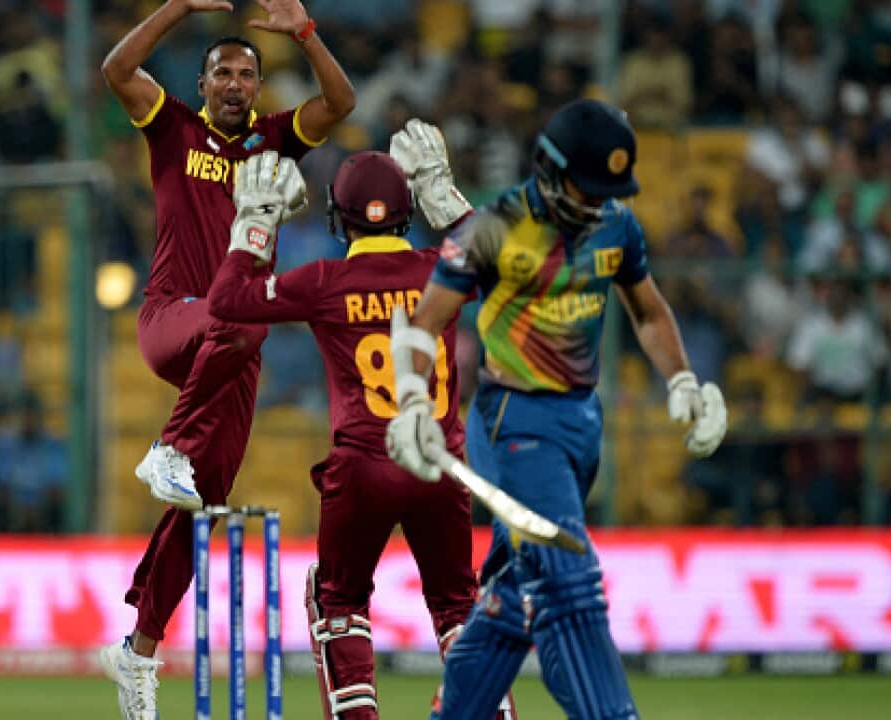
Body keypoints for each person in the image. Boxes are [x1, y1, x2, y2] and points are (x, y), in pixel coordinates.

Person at [384, 104, 728, 719]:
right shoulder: (491, 229)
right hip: (511, 422)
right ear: (550, 168)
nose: (597, 203)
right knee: (567, 579)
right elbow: (425, 320)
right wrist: (411, 401)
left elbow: (647, 312)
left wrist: (683, 382)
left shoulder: (616, 226)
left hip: (579, 424)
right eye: (587, 188)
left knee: (517, 595)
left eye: (607, 192)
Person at [96, 1, 355, 718]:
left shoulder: (276, 141)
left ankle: (137, 653)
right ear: (204, 84)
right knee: (243, 312)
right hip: (171, 318)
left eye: (247, 73)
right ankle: (169, 447)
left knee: (200, 508)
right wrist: (177, 5)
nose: (236, 83)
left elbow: (341, 101)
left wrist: (305, 34)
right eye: (223, 73)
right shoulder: (172, 127)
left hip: (235, 351)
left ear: (258, 87)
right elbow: (116, 69)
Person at [206, 151, 514, 719]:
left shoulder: (326, 280)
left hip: (362, 468)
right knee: (456, 607)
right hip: (438, 465)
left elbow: (225, 303)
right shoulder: (437, 267)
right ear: (406, 212)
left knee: (340, 602)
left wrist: (254, 223)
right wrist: (445, 196)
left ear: (338, 218)